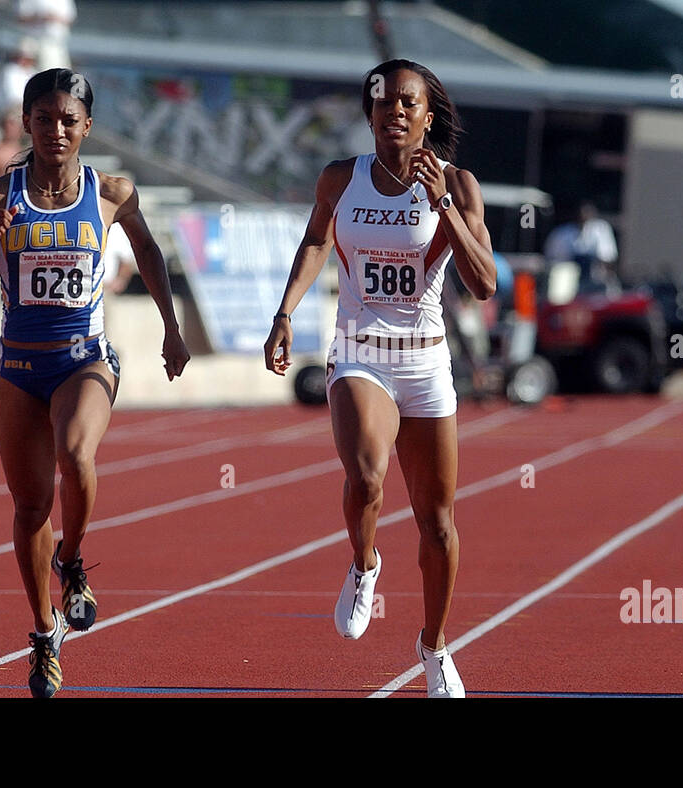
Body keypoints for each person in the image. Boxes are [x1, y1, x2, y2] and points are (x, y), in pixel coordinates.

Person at [0, 68, 189, 698]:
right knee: (30, 507)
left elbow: (150, 252)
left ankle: (72, 558)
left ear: (86, 127)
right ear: (26, 122)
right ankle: (43, 635)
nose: (56, 130)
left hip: (85, 360)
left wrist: (172, 326)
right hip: (19, 370)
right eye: (44, 118)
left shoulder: (110, 192)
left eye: (68, 120)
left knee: (76, 454)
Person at [264, 58, 496, 698]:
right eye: (382, 102)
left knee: (438, 523)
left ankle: (434, 646)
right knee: (366, 474)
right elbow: (314, 242)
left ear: (428, 117)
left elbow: (483, 284)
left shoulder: (458, 184)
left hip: (426, 360)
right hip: (358, 352)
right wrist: (285, 313)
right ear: (368, 115)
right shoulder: (342, 180)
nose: (394, 111)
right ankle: (365, 563)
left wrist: (443, 204)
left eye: (408, 103)